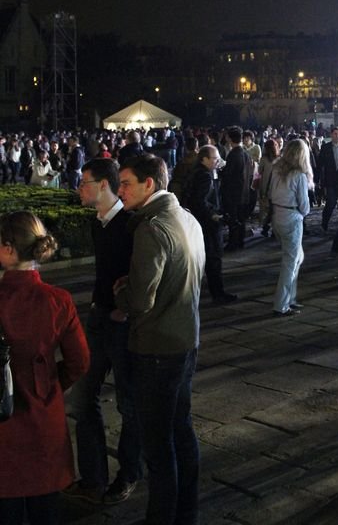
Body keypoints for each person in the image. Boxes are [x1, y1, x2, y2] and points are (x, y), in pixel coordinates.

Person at [114, 154, 205, 525]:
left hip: (156, 346)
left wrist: (121, 292)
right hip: (186, 339)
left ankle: (161, 517)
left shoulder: (151, 228)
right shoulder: (187, 218)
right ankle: (186, 513)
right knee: (181, 430)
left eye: (126, 183)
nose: (120, 191)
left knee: (158, 443)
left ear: (149, 183)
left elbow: (140, 299)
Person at [0, 211, 89, 524]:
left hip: (2, 423)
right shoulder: (58, 300)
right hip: (43, 415)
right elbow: (79, 361)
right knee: (45, 509)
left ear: (8, 249)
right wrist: (51, 383)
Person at [67, 159, 142, 506]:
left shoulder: (130, 225)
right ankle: (93, 476)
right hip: (98, 318)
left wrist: (123, 309)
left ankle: (128, 474)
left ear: (104, 185)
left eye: (85, 182)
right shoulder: (99, 223)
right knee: (83, 398)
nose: (79, 188)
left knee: (129, 404)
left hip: (124, 325)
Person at [188, 145, 237, 303]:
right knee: (214, 258)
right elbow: (200, 201)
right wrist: (214, 215)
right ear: (204, 159)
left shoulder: (200, 172)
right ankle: (218, 293)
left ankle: (215, 291)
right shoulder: (204, 176)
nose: (218, 161)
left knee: (210, 258)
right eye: (214, 158)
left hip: (202, 222)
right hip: (208, 223)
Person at [269, 139, 312, 316]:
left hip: (277, 214)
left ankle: (290, 298)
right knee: (290, 261)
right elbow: (305, 205)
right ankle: (282, 304)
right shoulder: (299, 175)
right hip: (292, 217)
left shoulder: (277, 169)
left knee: (297, 257)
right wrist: (302, 213)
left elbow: (271, 192)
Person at [221, 126, 253, 251]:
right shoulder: (245, 154)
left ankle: (233, 243)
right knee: (241, 219)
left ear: (229, 138)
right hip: (244, 192)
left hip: (234, 192)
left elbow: (228, 175)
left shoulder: (233, 155)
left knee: (233, 219)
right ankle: (240, 241)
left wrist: (222, 171)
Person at [317, 127, 338, 232]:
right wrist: (319, 180)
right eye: (335, 134)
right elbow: (320, 164)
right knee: (330, 203)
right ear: (331, 135)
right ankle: (325, 223)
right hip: (331, 180)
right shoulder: (326, 147)